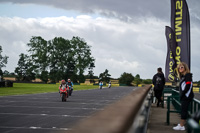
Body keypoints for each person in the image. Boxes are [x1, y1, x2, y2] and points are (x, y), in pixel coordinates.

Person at [173, 62, 194, 131]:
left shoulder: (188, 75)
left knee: (183, 111)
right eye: (179, 68)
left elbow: (188, 85)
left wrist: (183, 94)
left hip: (186, 96)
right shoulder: (183, 76)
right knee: (183, 110)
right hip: (184, 96)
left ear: (185, 68)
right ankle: (181, 124)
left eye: (182, 67)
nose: (180, 69)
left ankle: (182, 126)